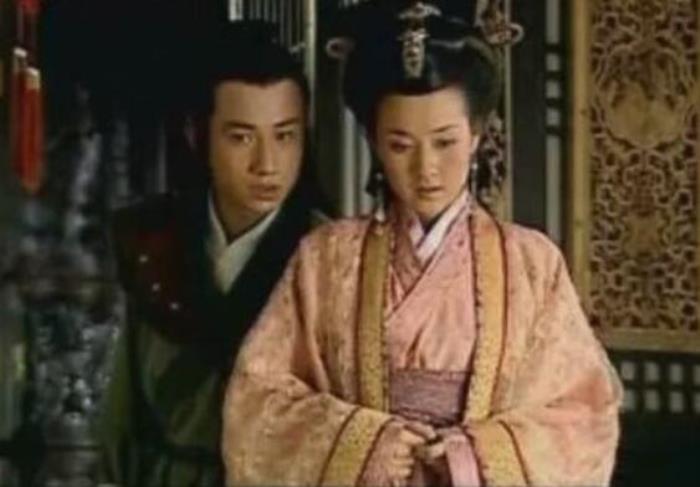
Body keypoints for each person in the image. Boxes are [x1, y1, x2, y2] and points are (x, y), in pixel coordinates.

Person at [222, 1, 622, 486]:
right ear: (373, 142)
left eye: (445, 141)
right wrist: (366, 444)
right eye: (400, 145)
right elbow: (258, 402)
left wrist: (474, 456)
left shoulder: (531, 263)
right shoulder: (325, 258)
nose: (425, 167)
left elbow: (582, 413)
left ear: (477, 134)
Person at [98, 21, 323, 486]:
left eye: (285, 136)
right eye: (241, 137)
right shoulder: (151, 240)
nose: (267, 165)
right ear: (196, 133)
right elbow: (120, 417)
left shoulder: (331, 256)